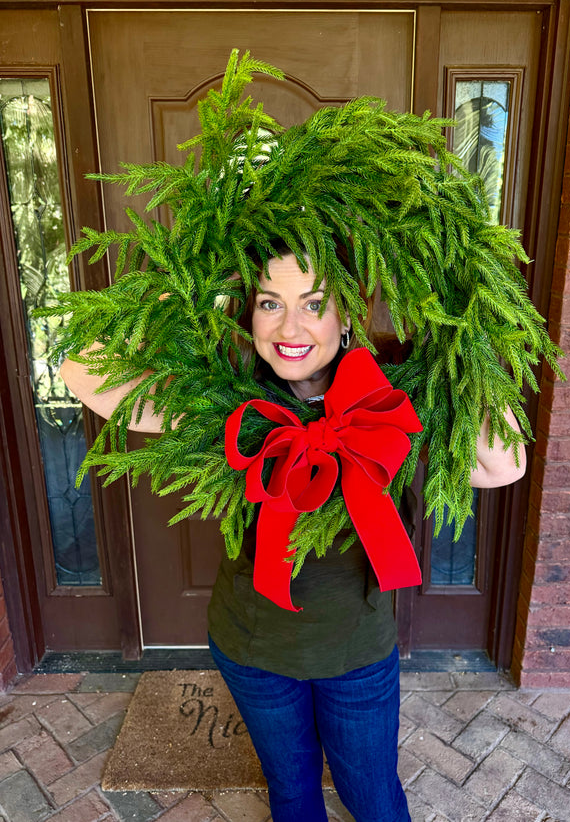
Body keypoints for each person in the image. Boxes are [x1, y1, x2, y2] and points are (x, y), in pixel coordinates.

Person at [61, 247, 526, 822]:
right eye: (269, 303)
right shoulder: (224, 400)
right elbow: (80, 370)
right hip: (254, 649)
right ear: (248, 313)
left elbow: (503, 464)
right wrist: (195, 271)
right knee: (293, 794)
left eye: (313, 304)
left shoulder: (388, 396)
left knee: (374, 800)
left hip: (356, 653)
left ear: (346, 315)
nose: (289, 328)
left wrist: (467, 333)